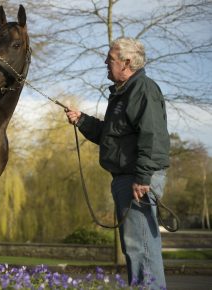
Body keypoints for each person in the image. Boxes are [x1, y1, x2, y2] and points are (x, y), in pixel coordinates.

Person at [65, 37, 170, 289]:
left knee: (141, 247)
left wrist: (143, 178)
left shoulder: (143, 89)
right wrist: (82, 121)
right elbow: (110, 137)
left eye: (110, 59)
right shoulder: (123, 94)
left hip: (137, 179)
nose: (105, 62)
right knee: (134, 247)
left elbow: (152, 136)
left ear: (127, 62)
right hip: (128, 178)